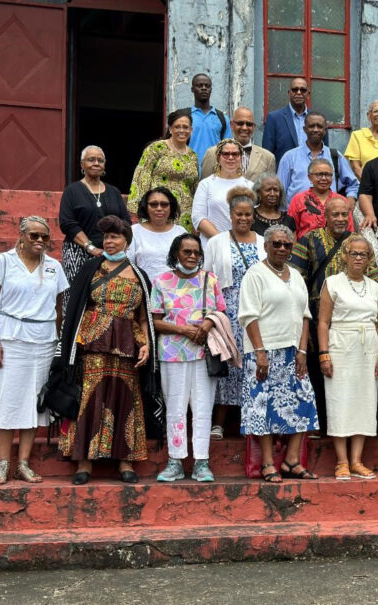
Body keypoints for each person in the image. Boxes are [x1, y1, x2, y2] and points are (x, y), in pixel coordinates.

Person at [57, 216, 160, 485]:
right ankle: (84, 461)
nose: (110, 242)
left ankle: (125, 461)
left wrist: (147, 344)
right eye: (107, 237)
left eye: (115, 237)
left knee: (125, 399)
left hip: (128, 343)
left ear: (127, 240)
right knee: (90, 397)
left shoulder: (139, 274)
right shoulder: (91, 268)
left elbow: (143, 316)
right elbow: (76, 307)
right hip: (93, 340)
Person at [0, 217, 69, 484]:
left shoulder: (54, 266)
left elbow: (59, 308)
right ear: (21, 235)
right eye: (33, 236)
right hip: (10, 338)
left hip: (42, 341)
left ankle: (24, 463)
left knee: (34, 402)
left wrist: (56, 341)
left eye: (44, 237)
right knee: (9, 399)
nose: (39, 241)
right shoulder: (3, 260)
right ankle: (4, 464)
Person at [238, 224, 319, 482]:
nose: (282, 248)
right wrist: (259, 352)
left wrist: (303, 349)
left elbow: (305, 315)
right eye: (277, 244)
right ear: (266, 246)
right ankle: (268, 463)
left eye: (287, 244)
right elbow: (249, 315)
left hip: (293, 351)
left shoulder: (295, 275)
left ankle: (292, 461)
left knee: (304, 403)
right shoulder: (255, 274)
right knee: (263, 407)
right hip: (264, 352)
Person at [290, 198, 378, 429]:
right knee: (318, 371)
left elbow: (374, 278)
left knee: (348, 377)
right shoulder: (308, 239)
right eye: (335, 215)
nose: (340, 219)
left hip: (350, 323)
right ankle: (319, 424)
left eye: (344, 214)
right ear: (325, 216)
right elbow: (296, 277)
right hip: (315, 319)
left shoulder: (358, 244)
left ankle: (345, 426)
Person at [151, 234, 226, 482]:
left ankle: (201, 463)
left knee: (203, 408)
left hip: (204, 353)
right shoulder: (161, 281)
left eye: (196, 252)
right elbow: (155, 321)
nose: (192, 257)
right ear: (176, 254)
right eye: (187, 252)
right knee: (175, 408)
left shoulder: (210, 279)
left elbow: (221, 312)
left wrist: (205, 325)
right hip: (172, 353)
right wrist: (183, 329)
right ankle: (175, 461)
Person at [317, 235, 378, 480]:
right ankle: (342, 461)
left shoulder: (375, 287)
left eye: (363, 254)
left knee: (365, 403)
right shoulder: (332, 283)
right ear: (345, 256)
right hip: (340, 346)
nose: (358, 258)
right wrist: (324, 353)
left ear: (369, 259)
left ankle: (357, 461)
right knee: (340, 402)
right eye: (354, 253)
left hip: (368, 347)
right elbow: (323, 322)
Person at [204, 188, 266, 439]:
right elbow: (207, 278)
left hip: (257, 312)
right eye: (238, 214)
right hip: (227, 310)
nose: (243, 218)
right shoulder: (216, 242)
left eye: (248, 214)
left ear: (254, 216)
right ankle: (219, 422)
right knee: (228, 364)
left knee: (252, 365)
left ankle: (250, 420)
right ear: (230, 215)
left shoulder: (263, 242)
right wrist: (210, 314)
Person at [59, 146, 131, 297]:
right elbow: (67, 223)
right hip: (79, 252)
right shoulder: (72, 191)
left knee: (108, 296)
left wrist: (117, 246)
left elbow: (125, 223)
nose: (96, 163)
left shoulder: (113, 192)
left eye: (100, 160)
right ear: (82, 165)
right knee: (77, 296)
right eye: (91, 160)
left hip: (111, 252)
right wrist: (90, 247)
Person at [129, 109, 199, 230]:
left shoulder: (193, 156)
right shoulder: (157, 148)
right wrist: (138, 211)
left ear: (191, 130)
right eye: (177, 127)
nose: (181, 130)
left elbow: (194, 187)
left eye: (185, 127)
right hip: (158, 209)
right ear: (170, 129)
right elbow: (141, 177)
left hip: (185, 214)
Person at [277, 112, 359, 205]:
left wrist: (349, 201)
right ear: (304, 129)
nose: (316, 130)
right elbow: (280, 189)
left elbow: (353, 184)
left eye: (319, 127)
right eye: (311, 126)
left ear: (325, 130)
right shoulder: (289, 157)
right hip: (296, 216)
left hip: (328, 215)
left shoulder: (335, 156)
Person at [192, 139, 254, 248]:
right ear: (218, 157)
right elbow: (198, 217)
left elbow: (254, 220)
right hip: (211, 245)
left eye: (235, 154)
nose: (230, 158)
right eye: (226, 154)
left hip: (242, 246)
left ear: (241, 157)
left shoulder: (250, 186)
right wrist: (224, 241)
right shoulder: (206, 184)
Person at [127, 187, 187, 281]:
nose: (159, 208)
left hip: (176, 291)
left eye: (164, 204)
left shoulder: (180, 232)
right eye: (154, 204)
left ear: (171, 207)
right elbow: (128, 265)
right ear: (146, 207)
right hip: (145, 288)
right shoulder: (134, 231)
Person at [201, 106, 276, 180]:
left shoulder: (268, 159)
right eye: (240, 123)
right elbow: (204, 188)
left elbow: (269, 189)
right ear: (231, 125)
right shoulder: (212, 154)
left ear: (254, 127)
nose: (244, 128)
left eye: (249, 124)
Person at [287, 158, 354, 239]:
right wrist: (295, 251)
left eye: (327, 175)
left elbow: (349, 231)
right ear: (310, 177)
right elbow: (291, 231)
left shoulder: (342, 201)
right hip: (305, 249)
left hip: (337, 249)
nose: (324, 178)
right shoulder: (298, 199)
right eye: (319, 174)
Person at [185, 73, 232, 160]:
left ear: (211, 89)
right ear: (192, 89)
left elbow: (228, 148)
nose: (204, 88)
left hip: (214, 170)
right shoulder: (185, 117)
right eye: (199, 85)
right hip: (189, 169)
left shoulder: (222, 119)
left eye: (207, 86)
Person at [344, 100, 378, 180]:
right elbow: (355, 166)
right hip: (367, 186)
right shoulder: (358, 135)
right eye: (375, 111)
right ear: (369, 115)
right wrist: (369, 184)